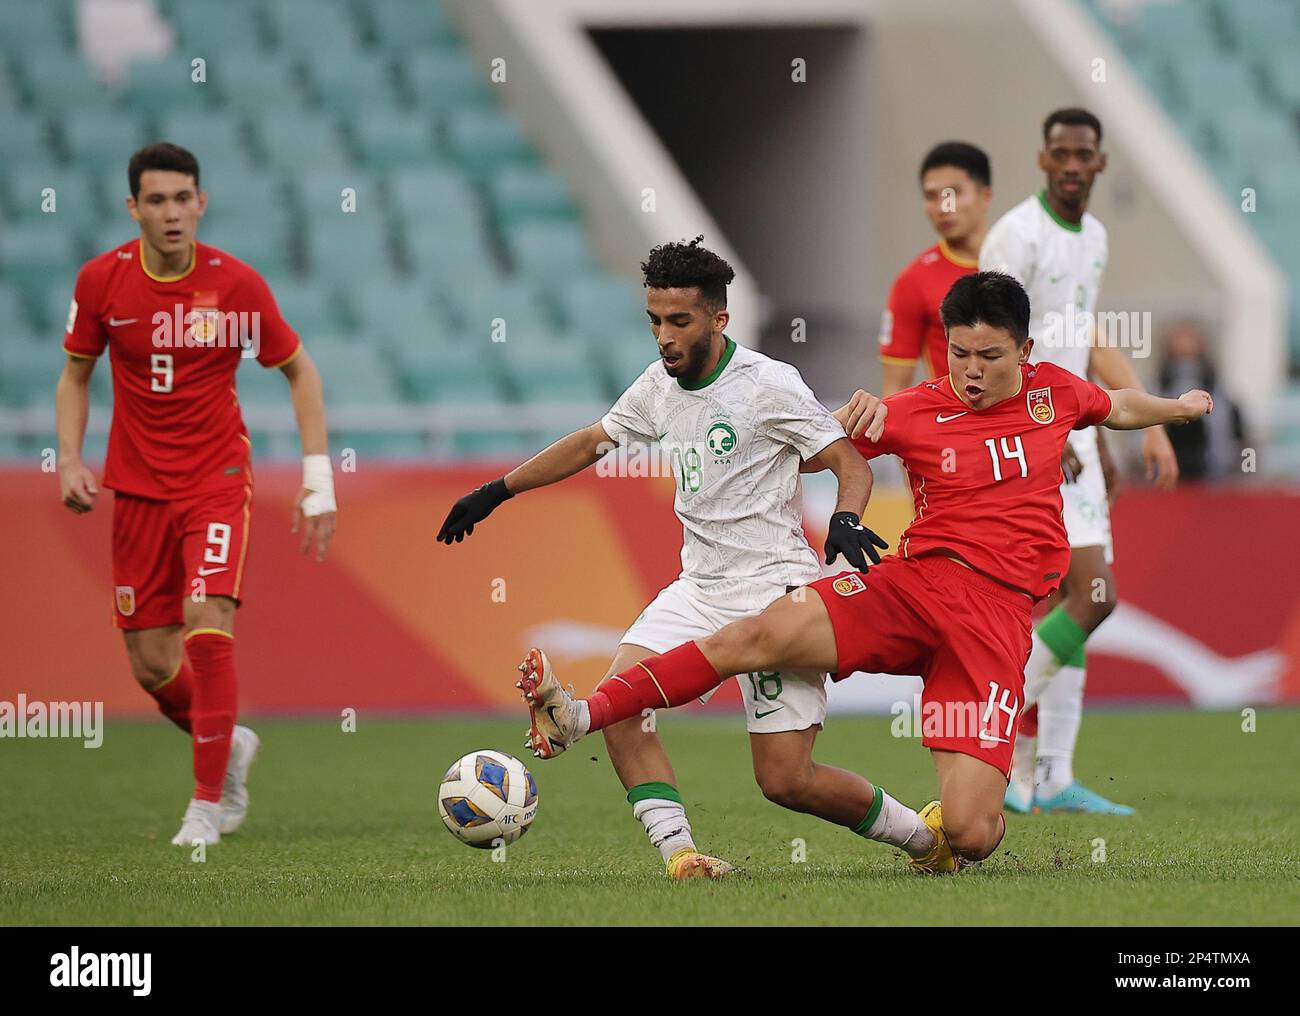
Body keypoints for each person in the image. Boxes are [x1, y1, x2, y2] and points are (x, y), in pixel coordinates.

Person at [517, 271, 1213, 873]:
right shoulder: (912, 409)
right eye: (960, 354)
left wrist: (1175, 409)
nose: (972, 370)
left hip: (992, 627)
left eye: (990, 357)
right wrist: (854, 418)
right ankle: (579, 713)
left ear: (1025, 353)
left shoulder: (1053, 395)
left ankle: (938, 832)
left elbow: (1114, 406)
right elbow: (819, 438)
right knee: (755, 636)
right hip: (908, 587)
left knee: (973, 834)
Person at [438, 237, 914, 879]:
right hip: (698, 588)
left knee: (786, 781)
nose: (664, 337)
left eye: (679, 321)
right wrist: (496, 491)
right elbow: (588, 443)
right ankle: (681, 856)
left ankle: (924, 837)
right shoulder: (657, 388)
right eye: (654, 321)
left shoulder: (768, 384)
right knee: (624, 710)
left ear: (719, 319)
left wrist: (847, 516)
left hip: (777, 592)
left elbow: (847, 462)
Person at [56, 143, 337, 846]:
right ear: (134, 209)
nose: (172, 212)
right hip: (137, 491)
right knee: (152, 665)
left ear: (201, 203)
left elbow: (300, 371)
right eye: (157, 200)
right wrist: (68, 459)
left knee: (206, 616)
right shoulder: (101, 283)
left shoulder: (236, 287)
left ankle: (205, 806)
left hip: (215, 482)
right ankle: (229, 742)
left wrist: (317, 479)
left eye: (184, 198)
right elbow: (74, 374)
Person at [980, 108, 1179, 814]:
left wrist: (1122, 424)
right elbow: (989, 336)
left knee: (1078, 599)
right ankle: (992, 728)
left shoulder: (1092, 236)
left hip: (1071, 437)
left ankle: (1053, 775)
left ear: (1099, 163)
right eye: (1059, 153)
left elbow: (1078, 333)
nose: (1071, 164)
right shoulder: (1016, 234)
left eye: (1083, 155)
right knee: (1095, 596)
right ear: (1042, 159)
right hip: (1030, 439)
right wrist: (1044, 428)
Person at [879, 142, 992, 395]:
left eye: (953, 194)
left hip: (1035, 426)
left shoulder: (1026, 262)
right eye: (932, 196)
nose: (944, 208)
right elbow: (894, 391)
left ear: (985, 196)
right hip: (958, 429)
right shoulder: (913, 281)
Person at [1155, 321, 1245, 480]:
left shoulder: (1224, 400)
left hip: (1213, 481)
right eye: (1179, 356)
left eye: (1191, 357)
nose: (1185, 367)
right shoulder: (1151, 394)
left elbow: (1237, 445)